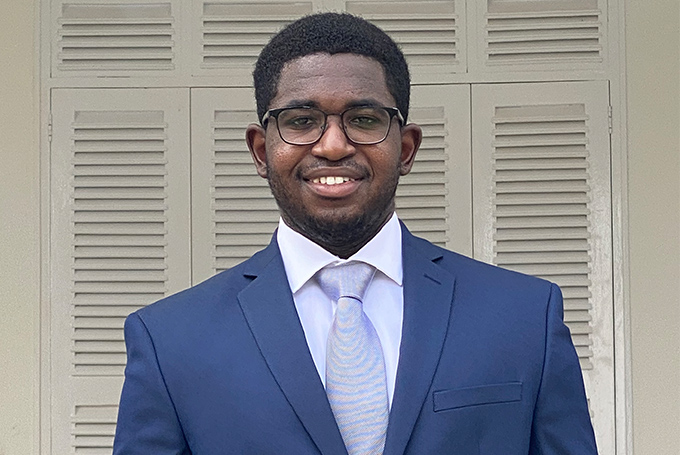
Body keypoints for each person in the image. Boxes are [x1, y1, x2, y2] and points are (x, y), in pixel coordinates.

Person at [112, 12, 597, 455]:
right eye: (301, 121)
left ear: (406, 149)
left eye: (364, 119)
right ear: (261, 151)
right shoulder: (170, 340)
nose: (333, 145)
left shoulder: (525, 317)